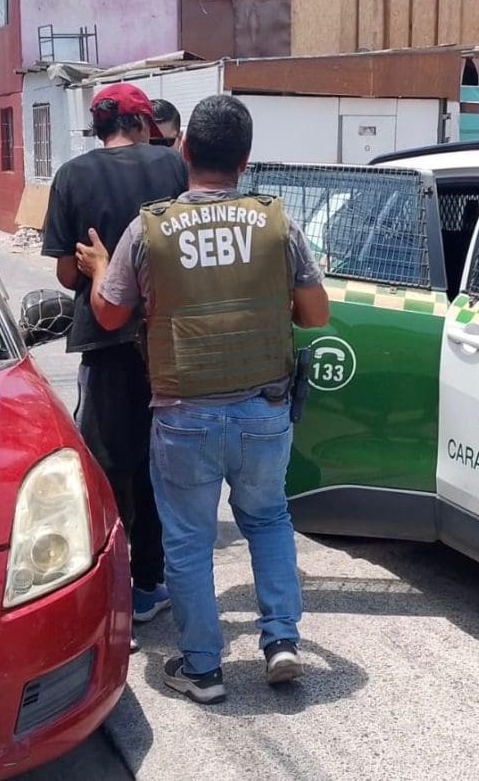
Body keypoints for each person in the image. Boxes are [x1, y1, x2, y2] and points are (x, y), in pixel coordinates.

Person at [77, 94, 330, 705]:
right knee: (268, 520)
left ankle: (203, 670)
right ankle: (281, 640)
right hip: (264, 412)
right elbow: (316, 314)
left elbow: (109, 315)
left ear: (185, 149)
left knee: (188, 541)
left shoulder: (149, 228)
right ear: (245, 160)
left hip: (183, 415)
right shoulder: (277, 222)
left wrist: (101, 268)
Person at [41, 83, 188, 648]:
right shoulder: (171, 168)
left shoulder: (72, 176)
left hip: (104, 340)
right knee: (159, 464)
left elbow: (65, 275)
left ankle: (115, 594)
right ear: (143, 123)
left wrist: (93, 268)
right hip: (167, 338)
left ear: (100, 126)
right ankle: (151, 582)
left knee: (108, 469)